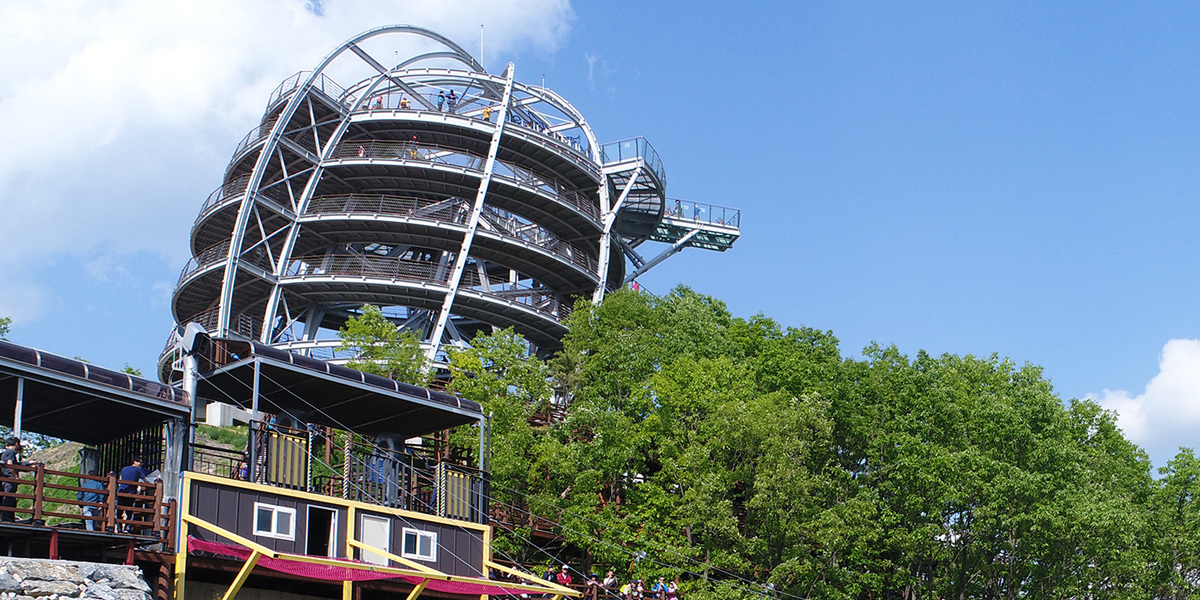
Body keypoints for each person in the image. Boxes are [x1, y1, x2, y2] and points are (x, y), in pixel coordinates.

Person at [0, 437, 36, 523]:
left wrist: (28, 463)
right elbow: (10, 464)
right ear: (16, 444)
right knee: (8, 498)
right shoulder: (11, 452)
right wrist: (15, 475)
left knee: (9, 498)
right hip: (10, 479)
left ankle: (8, 518)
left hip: (5, 480)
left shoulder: (4, 453)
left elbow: (16, 464)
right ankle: (5, 518)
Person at [117, 457, 150, 532]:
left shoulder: (124, 469)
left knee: (119, 510)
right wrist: (149, 484)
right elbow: (145, 480)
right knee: (129, 510)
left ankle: (119, 528)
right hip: (131, 492)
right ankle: (126, 528)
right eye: (140, 462)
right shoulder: (138, 469)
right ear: (135, 462)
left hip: (122, 491)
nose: (141, 464)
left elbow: (120, 478)